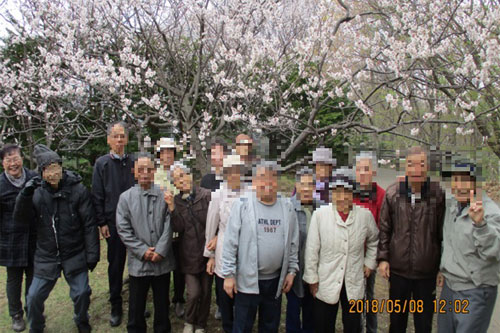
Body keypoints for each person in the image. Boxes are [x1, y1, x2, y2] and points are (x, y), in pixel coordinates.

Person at [14, 144, 99, 333]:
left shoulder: (77, 190)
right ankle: (37, 327)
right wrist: (24, 195)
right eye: (49, 169)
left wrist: (92, 254)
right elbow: (20, 219)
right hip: (46, 254)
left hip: (73, 251)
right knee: (33, 297)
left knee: (82, 292)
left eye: (56, 167)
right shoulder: (36, 192)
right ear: (42, 172)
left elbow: (89, 224)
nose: (53, 172)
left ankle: (81, 319)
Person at [221, 161, 299, 333]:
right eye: (262, 178)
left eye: (272, 179)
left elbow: (293, 243)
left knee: (270, 326)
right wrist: (228, 274)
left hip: (275, 281)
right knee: (243, 326)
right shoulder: (242, 205)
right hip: (247, 280)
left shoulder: (287, 207)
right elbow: (230, 242)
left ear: (277, 182)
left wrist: (292, 271)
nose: (267, 183)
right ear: (254, 182)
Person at [377, 146, 446, 333]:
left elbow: (443, 232)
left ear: (428, 167)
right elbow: (384, 229)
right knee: (397, 323)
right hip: (398, 271)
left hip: (427, 272)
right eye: (411, 164)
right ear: (405, 167)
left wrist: (442, 266)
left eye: (421, 164)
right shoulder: (393, 193)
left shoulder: (437, 194)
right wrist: (383, 258)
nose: (416, 169)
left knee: (423, 325)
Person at [303, 167, 378, 333]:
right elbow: (312, 249)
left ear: (354, 194)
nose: (342, 197)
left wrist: (369, 262)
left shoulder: (365, 217)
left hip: (354, 278)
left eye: (347, 192)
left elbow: (374, 240)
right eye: (338, 192)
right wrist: (312, 277)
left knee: (353, 325)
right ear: (332, 193)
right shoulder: (320, 215)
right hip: (327, 278)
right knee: (323, 323)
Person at [437, 158, 500, 333]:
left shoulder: (491, 212)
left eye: (465, 179)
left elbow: (495, 250)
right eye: (455, 180)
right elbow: (447, 240)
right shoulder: (453, 205)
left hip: (475, 291)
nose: (460, 185)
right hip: (450, 288)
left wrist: (481, 225)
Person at [116, 153, 175, 333]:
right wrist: (143, 251)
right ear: (134, 172)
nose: (144, 173)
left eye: (148, 169)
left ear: (154, 171)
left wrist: (160, 250)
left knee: (162, 304)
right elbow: (123, 229)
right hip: (138, 262)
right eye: (140, 170)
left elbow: (170, 224)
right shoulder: (126, 198)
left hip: (161, 261)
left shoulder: (164, 195)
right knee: (136, 306)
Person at [91, 121, 135, 327]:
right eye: (115, 136)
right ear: (108, 139)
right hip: (113, 222)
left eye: (122, 136)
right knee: (115, 265)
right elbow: (97, 195)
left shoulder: (134, 161)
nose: (119, 140)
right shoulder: (102, 164)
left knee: (137, 264)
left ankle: (138, 302)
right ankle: (116, 305)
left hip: (136, 222)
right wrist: (102, 222)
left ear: (126, 139)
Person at [164, 163, 212, 333]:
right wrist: (171, 208)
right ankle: (189, 321)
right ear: (174, 184)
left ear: (190, 175)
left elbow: (214, 223)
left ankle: (201, 324)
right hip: (188, 255)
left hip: (207, 254)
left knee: (206, 293)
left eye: (183, 175)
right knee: (194, 293)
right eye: (176, 179)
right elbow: (178, 228)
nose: (181, 180)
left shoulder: (206, 196)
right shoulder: (176, 201)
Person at [204, 154, 246, 332]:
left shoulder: (250, 193)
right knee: (225, 297)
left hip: (245, 251)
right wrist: (210, 256)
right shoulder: (218, 195)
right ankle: (228, 326)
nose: (234, 175)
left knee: (243, 299)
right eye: (231, 171)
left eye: (238, 171)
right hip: (222, 249)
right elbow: (210, 227)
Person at [0, 144, 37, 332]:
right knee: (13, 279)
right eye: (8, 160)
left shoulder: (33, 178)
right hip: (11, 240)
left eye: (15, 158)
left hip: (33, 236)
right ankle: (16, 314)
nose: (13, 163)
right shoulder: (0, 184)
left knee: (33, 275)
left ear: (22, 159)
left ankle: (32, 309)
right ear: (2, 163)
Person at [353, 151, 385, 333]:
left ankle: (371, 329)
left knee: (368, 296)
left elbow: (382, 229)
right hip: (350, 254)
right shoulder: (350, 192)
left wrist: (373, 260)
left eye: (366, 169)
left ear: (373, 172)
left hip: (367, 255)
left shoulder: (380, 195)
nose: (362, 173)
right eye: (359, 169)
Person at [154, 137, 185, 318]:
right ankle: (162, 299)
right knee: (162, 267)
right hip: (160, 227)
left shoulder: (180, 171)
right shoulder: (154, 174)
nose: (167, 155)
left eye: (170, 152)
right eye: (164, 152)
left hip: (179, 225)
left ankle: (179, 298)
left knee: (180, 267)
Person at [286, 167, 315, 333]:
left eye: (309, 184)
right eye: (302, 184)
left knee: (311, 315)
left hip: (314, 274)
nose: (306, 188)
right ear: (296, 185)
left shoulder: (320, 208)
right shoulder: (288, 208)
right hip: (294, 273)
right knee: (293, 314)